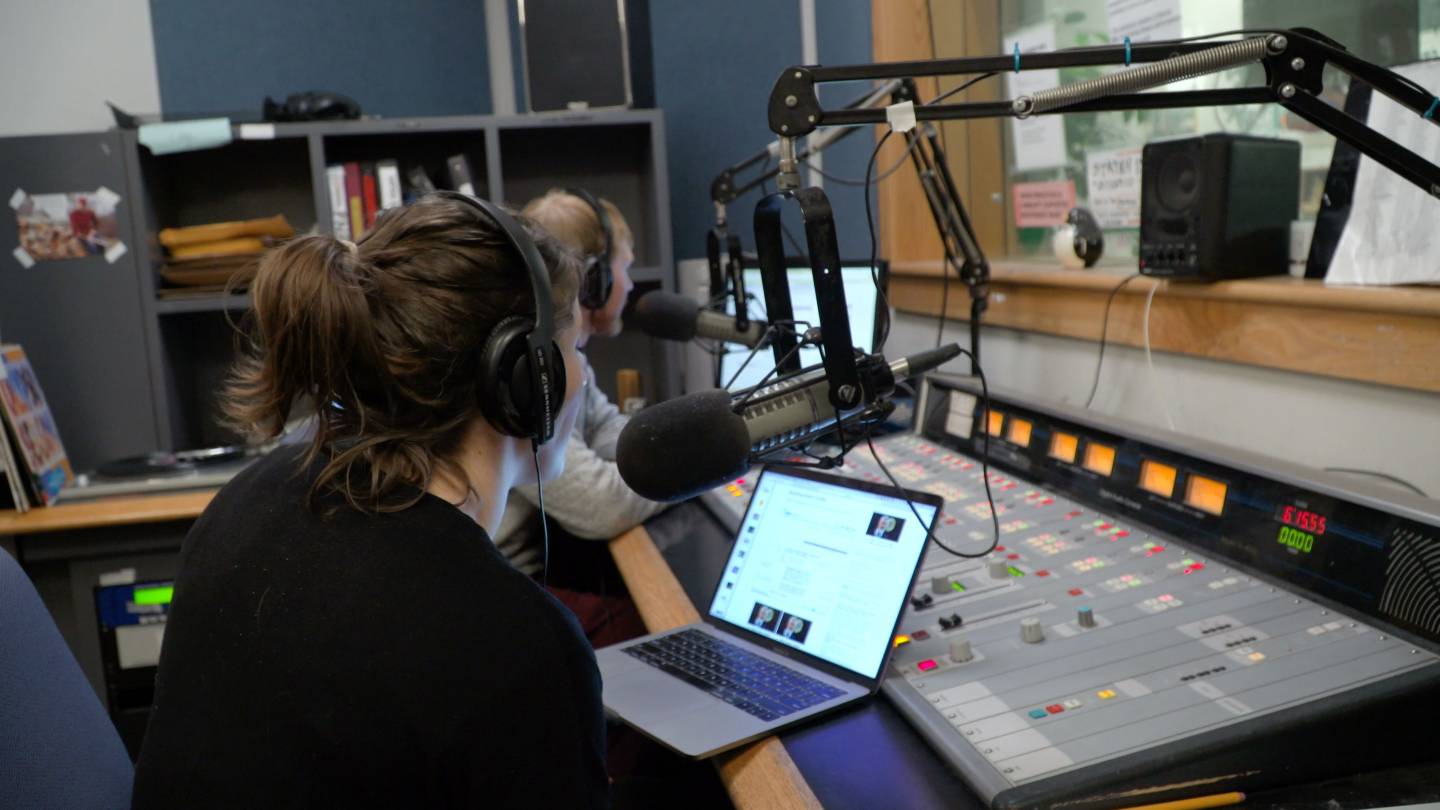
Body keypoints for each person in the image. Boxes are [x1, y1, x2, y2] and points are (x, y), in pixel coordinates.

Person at [132, 193, 609, 808]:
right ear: (520, 375)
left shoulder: (252, 494)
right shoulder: (516, 647)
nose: (584, 374)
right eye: (575, 350)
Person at [494, 189, 665, 644]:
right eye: (624, 268)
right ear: (594, 280)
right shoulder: (531, 380)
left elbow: (612, 434)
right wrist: (695, 471)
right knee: (655, 626)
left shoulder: (570, 363)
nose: (628, 286)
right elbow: (602, 506)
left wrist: (679, 445)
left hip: (528, 576)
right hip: (502, 594)